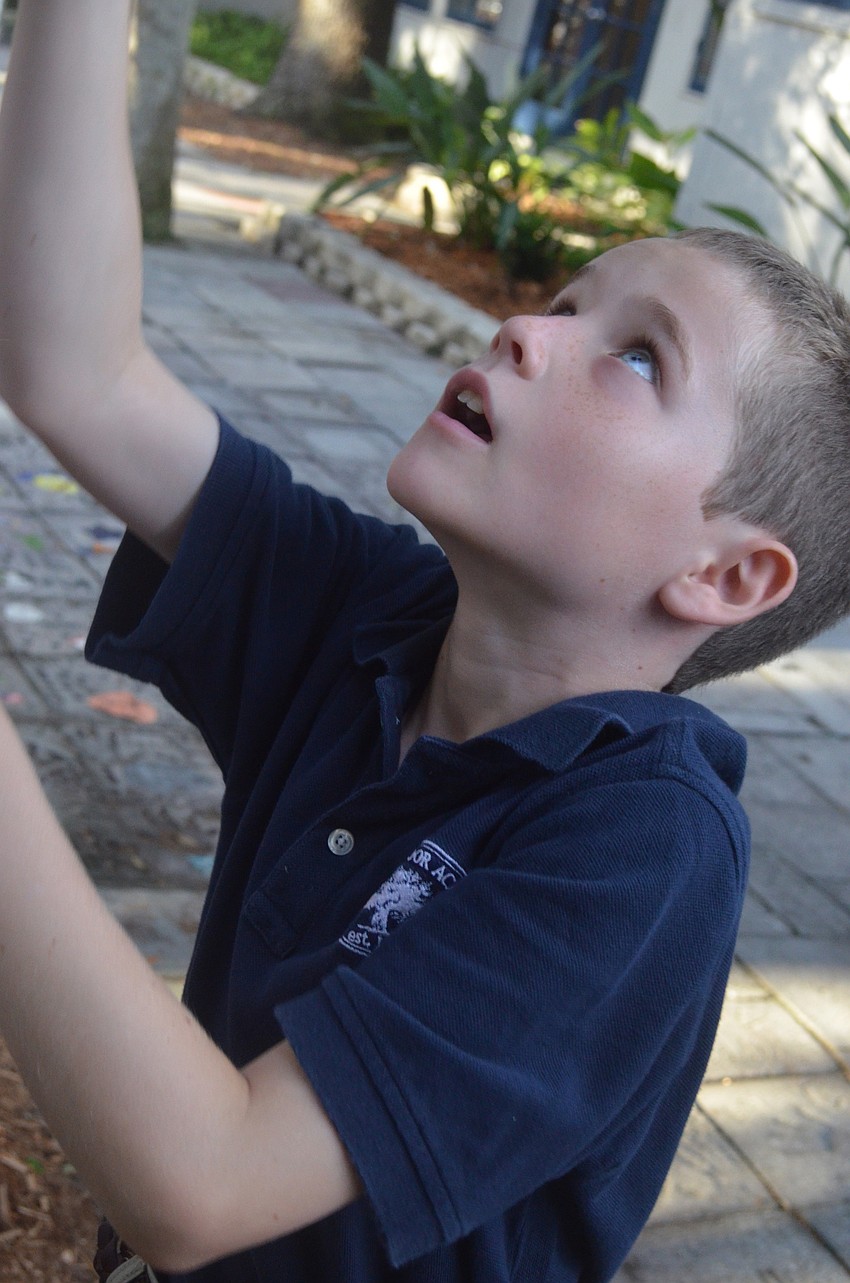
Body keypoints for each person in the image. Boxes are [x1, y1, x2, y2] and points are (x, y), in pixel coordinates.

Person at [0, 3, 848, 1282]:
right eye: (567, 298)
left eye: (633, 358)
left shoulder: (643, 849)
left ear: (725, 572)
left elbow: (206, 1178)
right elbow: (76, 370)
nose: (527, 328)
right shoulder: (380, 616)